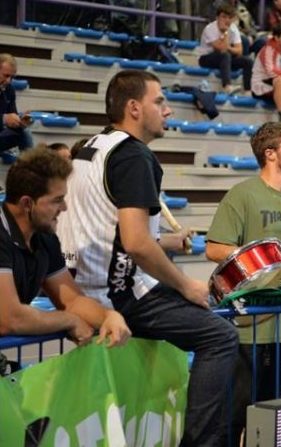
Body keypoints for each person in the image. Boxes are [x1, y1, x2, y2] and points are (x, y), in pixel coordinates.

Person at [56, 70, 238, 445]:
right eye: (160, 101)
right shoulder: (135, 156)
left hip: (80, 286)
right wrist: (186, 284)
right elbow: (136, 244)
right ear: (134, 107)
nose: (168, 110)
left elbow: (110, 230)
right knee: (220, 336)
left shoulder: (93, 146)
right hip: (118, 296)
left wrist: (166, 242)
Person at [205, 121, 281, 445]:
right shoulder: (243, 194)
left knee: (272, 424)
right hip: (247, 328)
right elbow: (214, 247)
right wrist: (261, 260)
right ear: (270, 153)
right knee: (232, 421)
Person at [0, 147, 130, 348]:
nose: (64, 208)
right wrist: (68, 320)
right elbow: (9, 319)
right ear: (27, 203)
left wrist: (108, 316)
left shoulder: (44, 237)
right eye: (57, 200)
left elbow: (72, 301)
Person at [197, 3, 253, 95]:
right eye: (224, 17)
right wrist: (225, 32)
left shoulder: (234, 28)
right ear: (217, 17)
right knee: (225, 55)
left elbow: (239, 51)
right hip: (205, 58)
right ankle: (227, 86)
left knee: (248, 61)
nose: (227, 20)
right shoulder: (210, 29)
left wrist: (229, 48)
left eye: (229, 17)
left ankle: (248, 90)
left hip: (225, 58)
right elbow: (221, 49)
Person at [0, 53, 32, 153]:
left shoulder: (9, 89)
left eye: (12, 77)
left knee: (24, 132)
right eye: (6, 76)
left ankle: (28, 165)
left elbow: (12, 114)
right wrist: (4, 119)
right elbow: (6, 118)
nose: (9, 81)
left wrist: (20, 122)